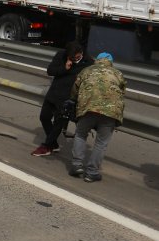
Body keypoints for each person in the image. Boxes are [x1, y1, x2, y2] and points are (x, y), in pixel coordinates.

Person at [69, 52, 126, 182]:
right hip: (110, 112)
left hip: (88, 109)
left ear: (97, 60)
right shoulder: (118, 73)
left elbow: (74, 90)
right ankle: (92, 172)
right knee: (101, 143)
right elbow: (122, 92)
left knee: (80, 135)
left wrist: (74, 101)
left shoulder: (86, 70)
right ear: (110, 62)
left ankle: (77, 166)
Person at [32, 41, 92, 157]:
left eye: (77, 57)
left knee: (58, 124)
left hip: (68, 100)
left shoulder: (88, 63)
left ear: (81, 53)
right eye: (72, 58)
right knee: (44, 117)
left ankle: (47, 146)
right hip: (53, 94)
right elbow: (50, 71)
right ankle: (53, 144)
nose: (75, 60)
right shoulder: (61, 55)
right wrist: (64, 68)